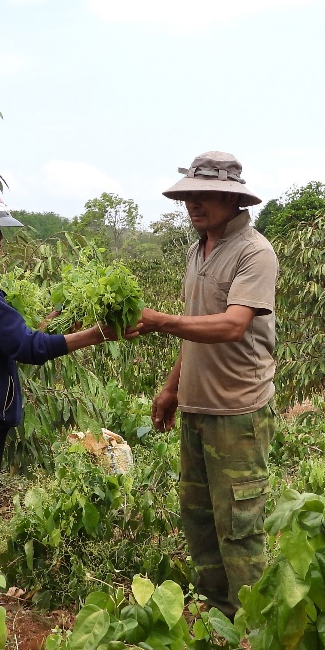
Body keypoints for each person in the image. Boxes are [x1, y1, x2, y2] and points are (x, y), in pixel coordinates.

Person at [0, 182, 126, 578]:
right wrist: (96, 334)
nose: (0, 238)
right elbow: (27, 348)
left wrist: (52, 322)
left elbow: (4, 339)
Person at [135, 151, 278, 618]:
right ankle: (221, 625)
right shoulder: (198, 251)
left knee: (239, 528)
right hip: (197, 409)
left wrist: (158, 322)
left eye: (205, 195)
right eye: (189, 196)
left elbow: (233, 325)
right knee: (200, 523)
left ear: (233, 199)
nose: (194, 204)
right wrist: (173, 386)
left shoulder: (254, 252)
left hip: (237, 414)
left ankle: (255, 635)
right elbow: (195, 327)